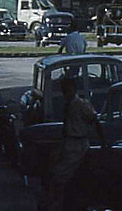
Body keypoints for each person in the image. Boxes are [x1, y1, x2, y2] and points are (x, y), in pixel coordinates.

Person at [43, 76, 104, 211]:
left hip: (78, 144)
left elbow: (95, 120)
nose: (66, 94)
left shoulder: (82, 104)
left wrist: (103, 142)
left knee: (60, 175)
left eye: (69, 90)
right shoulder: (67, 105)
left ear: (74, 90)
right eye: (64, 91)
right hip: (68, 142)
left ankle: (57, 204)